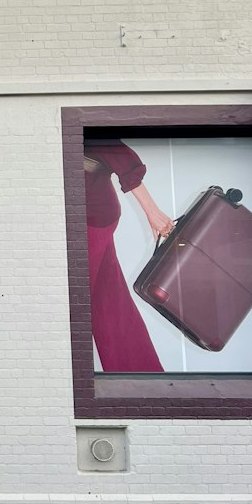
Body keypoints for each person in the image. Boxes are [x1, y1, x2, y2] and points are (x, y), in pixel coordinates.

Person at [84, 140, 174, 372]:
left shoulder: (87, 121)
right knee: (109, 302)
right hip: (93, 217)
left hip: (89, 222)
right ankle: (143, 378)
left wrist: (153, 213)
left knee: (74, 305)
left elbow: (120, 155)